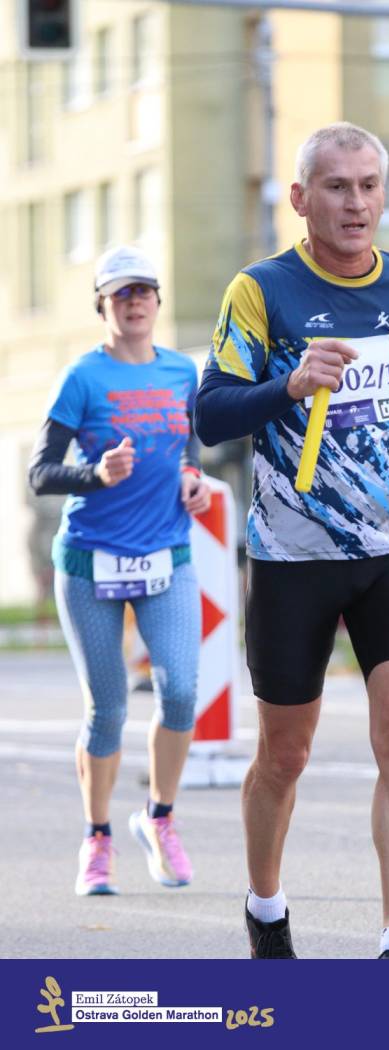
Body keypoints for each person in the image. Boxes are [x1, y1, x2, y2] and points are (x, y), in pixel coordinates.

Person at [195, 122, 389, 959]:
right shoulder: (261, 290)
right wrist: (289, 383)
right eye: (337, 187)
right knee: (286, 754)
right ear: (301, 198)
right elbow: (210, 413)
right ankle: (266, 905)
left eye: (369, 186)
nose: (356, 203)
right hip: (293, 558)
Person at [28, 245, 211, 896]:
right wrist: (95, 474)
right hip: (90, 561)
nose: (134, 302)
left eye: (144, 291)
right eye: (121, 293)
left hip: (166, 554)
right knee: (106, 709)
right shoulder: (83, 377)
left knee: (181, 692)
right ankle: (97, 838)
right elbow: (40, 473)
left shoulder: (181, 372)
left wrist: (192, 478)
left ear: (158, 301)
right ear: (102, 306)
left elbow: (188, 447)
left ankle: (159, 819)